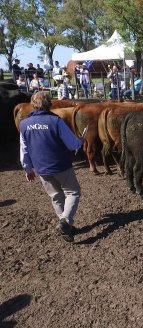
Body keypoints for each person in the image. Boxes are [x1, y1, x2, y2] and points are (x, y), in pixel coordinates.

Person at [19, 92, 83, 242]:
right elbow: (72, 144)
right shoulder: (55, 121)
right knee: (73, 192)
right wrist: (80, 141)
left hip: (41, 168)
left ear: (32, 104)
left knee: (55, 196)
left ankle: (65, 225)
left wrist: (28, 169)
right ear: (49, 104)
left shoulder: (24, 124)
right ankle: (65, 222)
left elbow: (24, 149)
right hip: (60, 165)